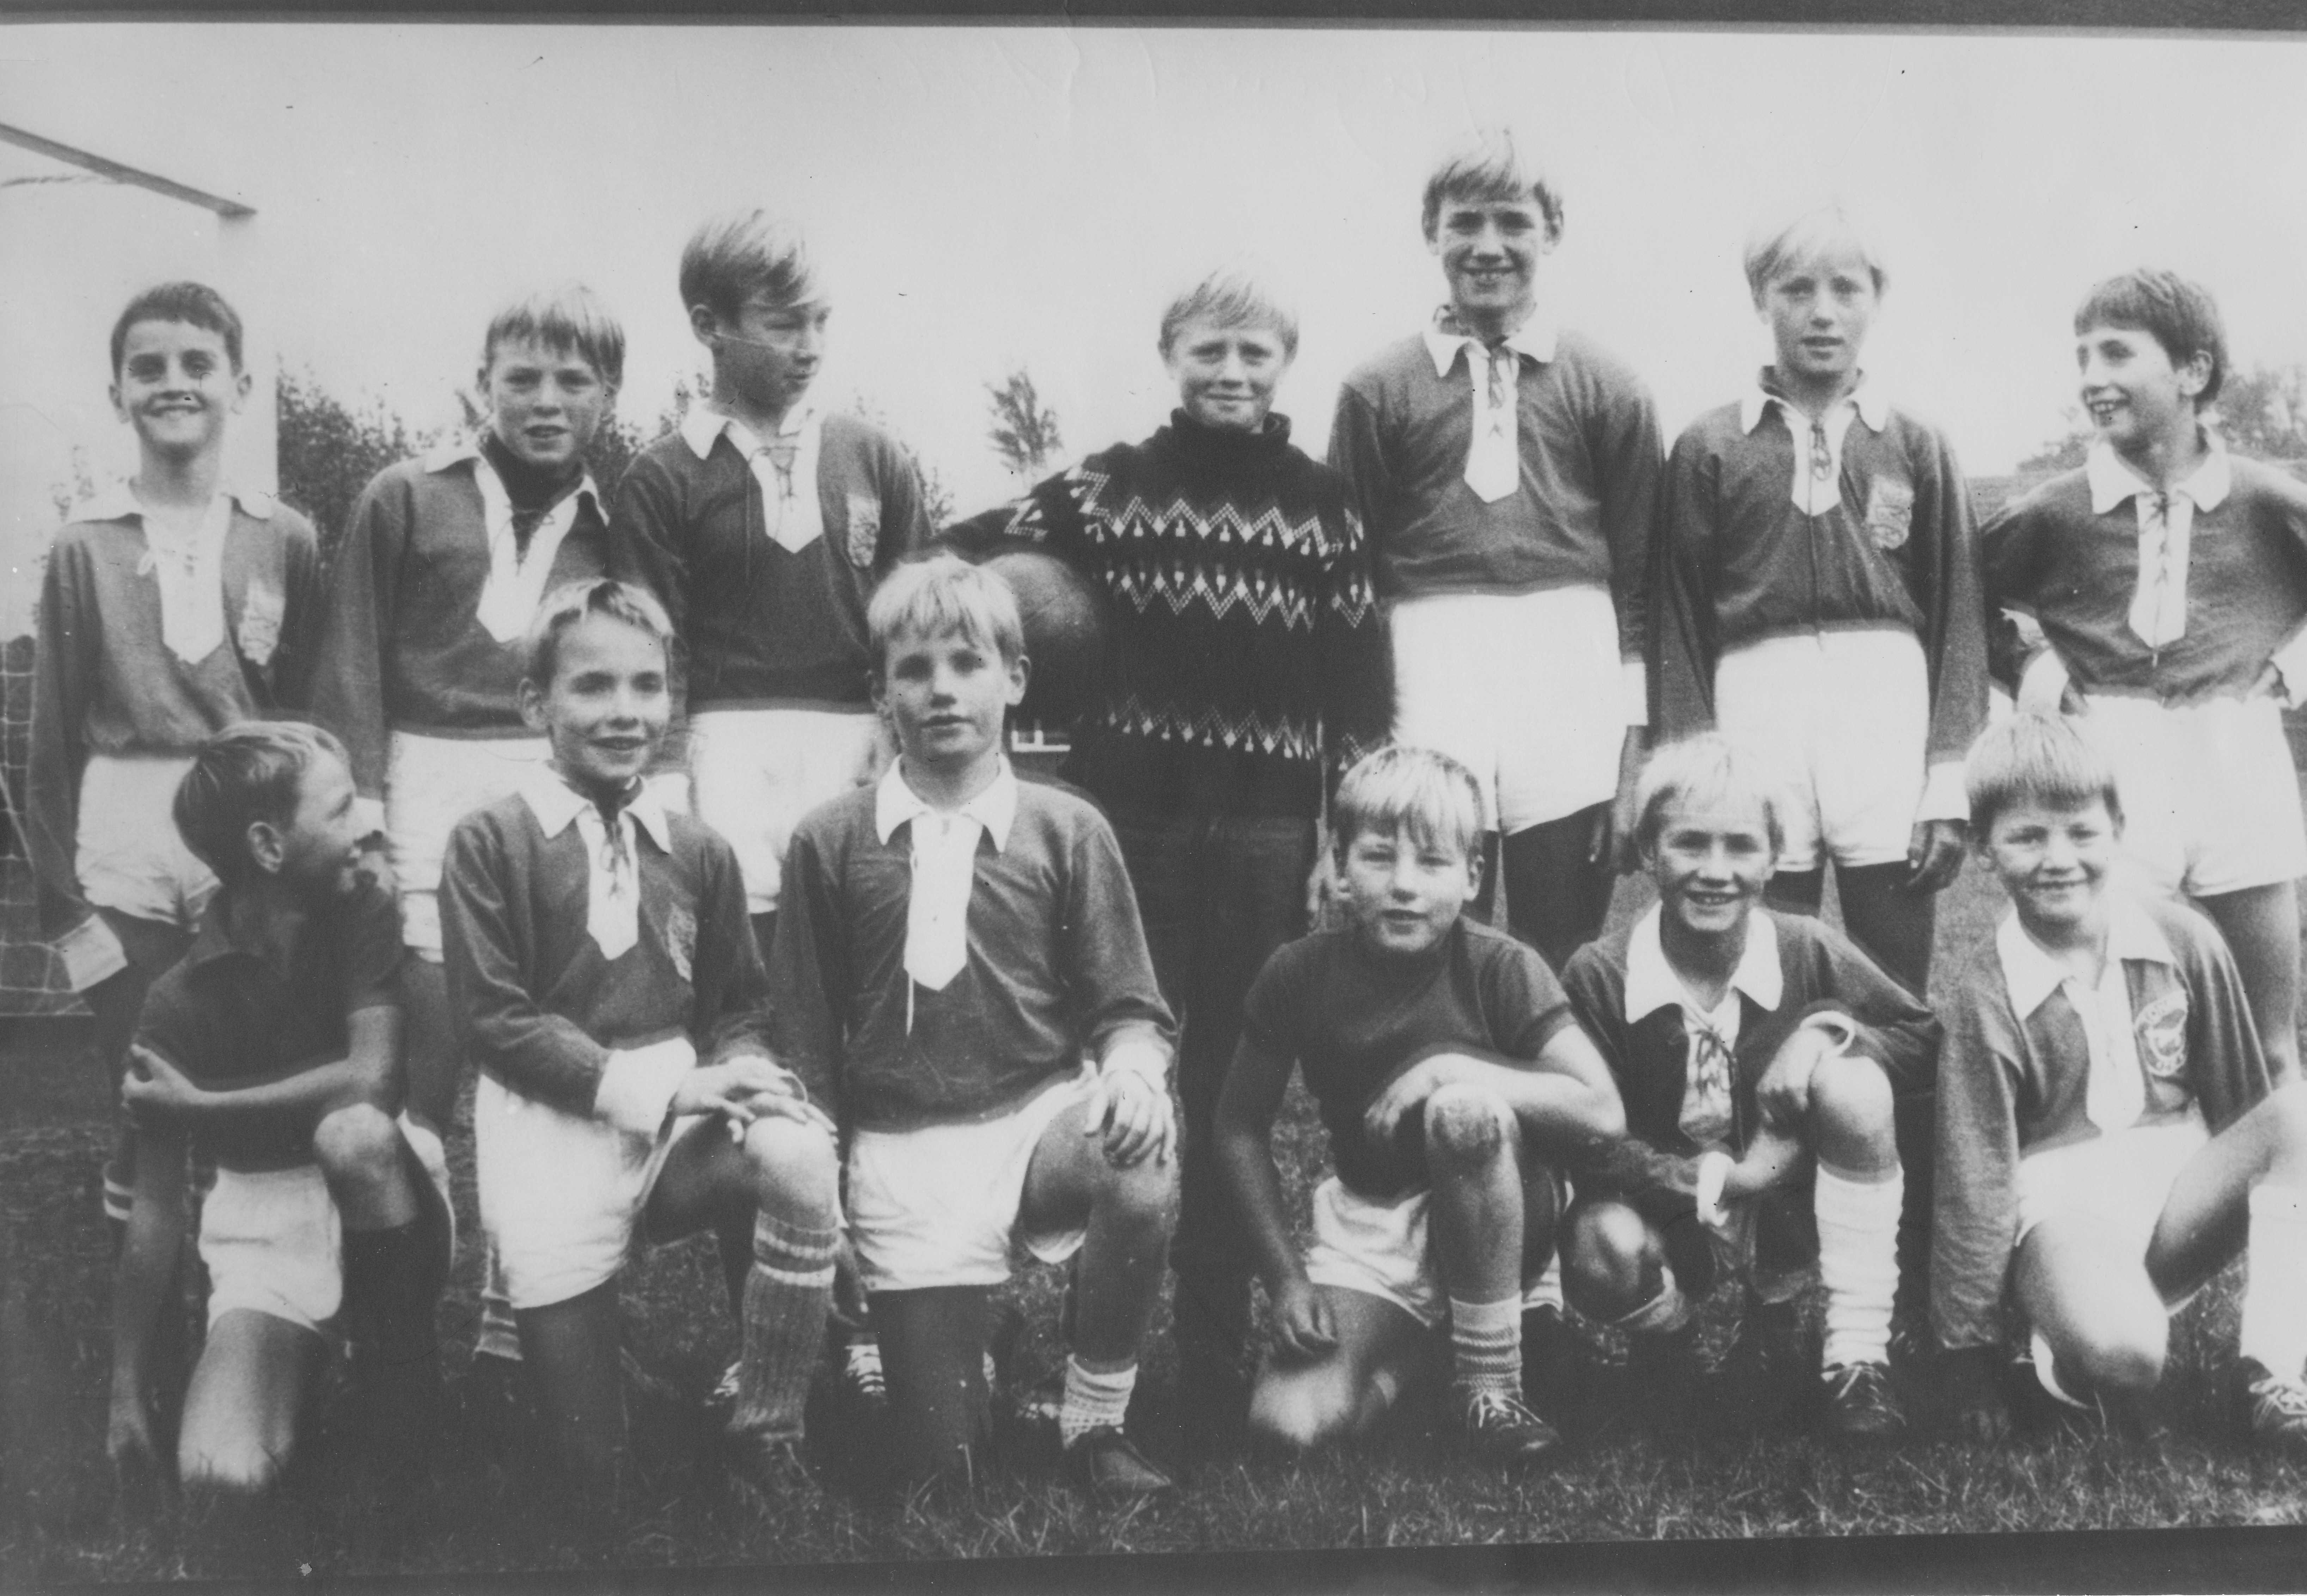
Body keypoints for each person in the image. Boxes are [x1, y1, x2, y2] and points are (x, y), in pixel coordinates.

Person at [942, 266, 1393, 1448]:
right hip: (1129, 826)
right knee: (1119, 1073)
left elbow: (1360, 686)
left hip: (1266, 834)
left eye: (1254, 354)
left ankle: (1212, 1349)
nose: (1231, 373)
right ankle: (1088, 1352)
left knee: (1229, 1089)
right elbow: (968, 550)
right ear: (1170, 357)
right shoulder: (1111, 486)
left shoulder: (1324, 504)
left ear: (1283, 364)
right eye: (1209, 352)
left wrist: (1340, 833)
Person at [771, 555, 1181, 1499]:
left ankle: (1095, 1419)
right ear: (880, 694)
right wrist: (824, 1195)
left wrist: (1132, 1071)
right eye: (914, 670)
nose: (943, 690)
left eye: (967, 663)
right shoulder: (828, 839)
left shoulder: (1066, 826)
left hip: (1034, 1122)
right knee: (944, 1473)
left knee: (1140, 1154)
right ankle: (955, 1339)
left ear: (1016, 679)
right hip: (902, 1148)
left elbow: (1128, 1002)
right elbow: (804, 1036)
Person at [439, 579, 840, 1497]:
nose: (625, 711)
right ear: (534, 703)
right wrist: (667, 1089)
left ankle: (767, 1424)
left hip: (673, 1140)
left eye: (647, 686)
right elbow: (496, 1021)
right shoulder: (490, 840)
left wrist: (744, 1069)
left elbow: (738, 1004)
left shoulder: (697, 848)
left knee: (798, 1153)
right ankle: (533, 1347)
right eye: (592, 686)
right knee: (595, 1475)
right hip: (550, 1133)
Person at [307, 286, 645, 1372]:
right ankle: (399, 1320)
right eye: (522, 378)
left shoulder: (619, 524)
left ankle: (516, 1313)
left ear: (608, 395)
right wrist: (361, 810)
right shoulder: (406, 496)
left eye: (573, 381)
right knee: (424, 1070)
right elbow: (352, 654)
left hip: (552, 792)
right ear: (483, 383)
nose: (546, 401)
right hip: (422, 790)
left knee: (537, 1053)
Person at [1213, 746, 1624, 1465]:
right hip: (1376, 1218)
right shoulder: (1299, 972)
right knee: (1288, 1428)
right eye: (1378, 857)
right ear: (1340, 865)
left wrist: (1449, 1067)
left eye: (1432, 862)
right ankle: (1426, 1362)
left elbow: (1601, 1110)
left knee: (1462, 1110)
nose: (1403, 884)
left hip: (1502, 1208)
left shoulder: (1501, 966)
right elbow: (1238, 1128)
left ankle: (1490, 1386)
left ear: (1472, 875)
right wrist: (1285, 1279)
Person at [1328, 128, 1664, 973]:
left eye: (1512, 222)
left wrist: (1632, 747)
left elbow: (1640, 578)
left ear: (1551, 231)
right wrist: (1361, 733)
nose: (1488, 246)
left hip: (1568, 668)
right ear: (1429, 231)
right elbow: (1349, 576)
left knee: (1561, 939)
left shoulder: (1608, 384)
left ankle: (1555, 1060)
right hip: (1430, 663)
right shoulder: (1376, 389)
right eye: (1464, 223)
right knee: (1429, 916)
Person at [27, 282, 323, 1239]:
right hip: (127, 814)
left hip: (244, 811)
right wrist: (62, 903)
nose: (174, 383)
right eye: (147, 368)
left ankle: (250, 1282)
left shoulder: (283, 536)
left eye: (198, 364)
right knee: (147, 1077)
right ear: (117, 394)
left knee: (248, 1056)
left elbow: (305, 710)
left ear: (239, 384)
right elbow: (51, 736)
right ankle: (145, 1299)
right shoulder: (84, 544)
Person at [106, 723, 450, 1539]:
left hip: (382, 1188)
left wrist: (201, 1108)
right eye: (340, 810)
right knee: (222, 1477)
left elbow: (369, 1079)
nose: (365, 829)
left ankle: (398, 1385)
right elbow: (156, 1211)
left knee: (353, 1135)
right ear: (267, 845)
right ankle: (307, 1363)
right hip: (264, 1230)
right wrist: (123, 1386)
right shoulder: (176, 1002)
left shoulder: (362, 911)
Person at [1934, 713, 2307, 1450]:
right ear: (1983, 849)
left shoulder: (2182, 938)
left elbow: (2245, 1111)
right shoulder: (1982, 994)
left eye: (2081, 832)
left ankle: (2273, 1372)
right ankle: (2047, 1338)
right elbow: (1973, 1180)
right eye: (2026, 837)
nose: (2058, 859)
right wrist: (1966, 1355)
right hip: (2066, 1211)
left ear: (2119, 830)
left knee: (2295, 1114)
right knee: (2128, 1355)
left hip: (2176, 1190)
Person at [1558, 736, 1938, 1441]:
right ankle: (1674, 1337)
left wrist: (1823, 1031)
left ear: (1773, 858)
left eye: (1740, 846)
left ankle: (1853, 1357)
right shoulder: (1600, 975)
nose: (1715, 871)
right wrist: (1713, 1179)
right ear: (1649, 851)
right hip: (1665, 1208)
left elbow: (1922, 1037)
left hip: (1791, 1207)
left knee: (1854, 1080)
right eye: (1688, 844)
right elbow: (1586, 1138)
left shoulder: (1803, 946)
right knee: (1599, 1241)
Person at [1651, 203, 1985, 998]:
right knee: (1766, 952)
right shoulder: (1710, 446)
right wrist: (1693, 767)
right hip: (1756, 703)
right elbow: (1677, 618)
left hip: (1884, 705)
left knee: (1892, 969)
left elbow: (1960, 617)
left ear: (1876, 297)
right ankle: (1772, 1074)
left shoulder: (1915, 442)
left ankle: (1894, 1078)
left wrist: (1948, 774)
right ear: (1759, 298)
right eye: (1796, 290)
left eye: (1846, 289)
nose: (1823, 312)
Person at [1983, 268, 2307, 1076]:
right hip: (2112, 755)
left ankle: (2273, 1158)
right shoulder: (2054, 509)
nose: (2092, 378)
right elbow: (1960, 598)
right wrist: (2037, 669)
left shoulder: (2265, 499)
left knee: (2266, 1034)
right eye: (2082, 357)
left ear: (2192, 371)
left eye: (2116, 354)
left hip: (2237, 752)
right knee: (2118, 1021)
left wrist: (2288, 671)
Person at [614, 208, 931, 964]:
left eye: (821, 321)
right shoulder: (662, 476)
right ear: (709, 325)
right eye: (784, 323)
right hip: (724, 754)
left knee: (863, 955)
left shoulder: (875, 457)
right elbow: (651, 645)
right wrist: (665, 776)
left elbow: (919, 625)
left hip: (858, 744)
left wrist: (900, 738)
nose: (810, 346)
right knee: (744, 967)